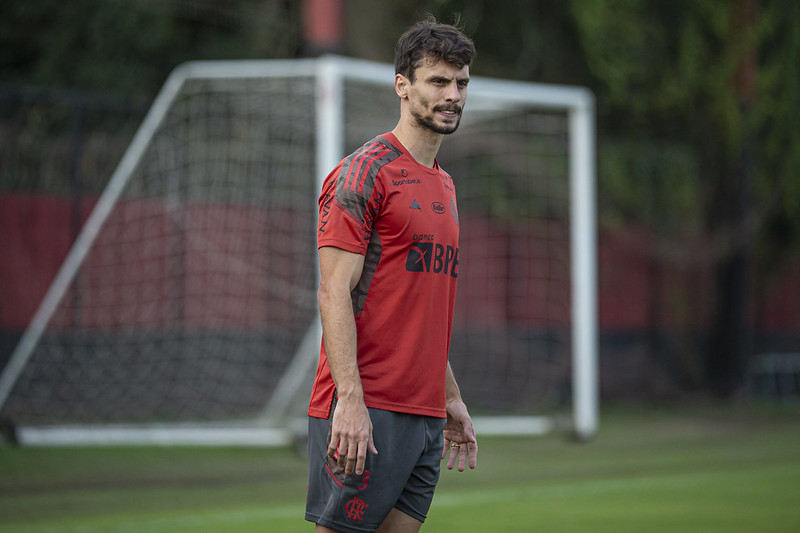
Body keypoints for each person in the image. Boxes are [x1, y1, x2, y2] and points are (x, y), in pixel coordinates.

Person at [305, 17, 478, 533]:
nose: (453, 95)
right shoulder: (364, 173)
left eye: (461, 83)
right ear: (402, 85)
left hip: (424, 412)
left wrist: (448, 397)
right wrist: (351, 402)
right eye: (438, 81)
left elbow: (420, 308)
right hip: (368, 407)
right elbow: (333, 292)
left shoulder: (445, 185)